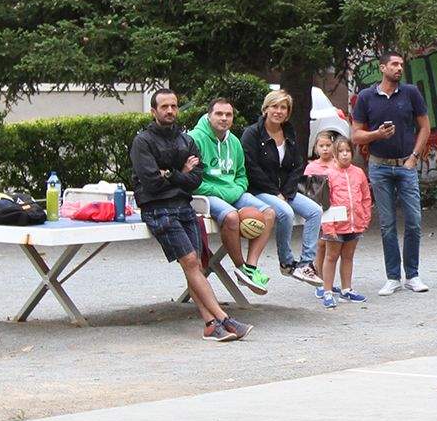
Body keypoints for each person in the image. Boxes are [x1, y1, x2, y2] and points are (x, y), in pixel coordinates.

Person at [129, 88, 246, 340]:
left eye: (173, 106)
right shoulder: (143, 142)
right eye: (164, 107)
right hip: (158, 208)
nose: (170, 111)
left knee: (195, 267)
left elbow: (195, 180)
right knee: (191, 262)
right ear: (153, 111)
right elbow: (151, 183)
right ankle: (225, 319)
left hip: (185, 206)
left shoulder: (186, 140)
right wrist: (180, 172)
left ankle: (210, 325)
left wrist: (169, 173)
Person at [351, 51, 431, 295]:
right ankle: (393, 276)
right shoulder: (365, 97)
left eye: (401, 65)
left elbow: (425, 127)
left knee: (414, 222)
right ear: (382, 67)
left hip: (405, 165)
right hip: (379, 166)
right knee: (386, 224)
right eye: (394, 64)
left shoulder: (411, 93)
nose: (399, 68)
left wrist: (414, 157)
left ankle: (413, 275)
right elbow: (355, 135)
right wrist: (376, 135)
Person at [240, 89, 328, 298]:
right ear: (266, 109)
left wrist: (286, 192)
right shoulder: (252, 133)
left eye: (283, 108)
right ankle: (287, 262)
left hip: (285, 191)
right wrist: (275, 193)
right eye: (274, 106)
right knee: (285, 213)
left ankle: (306, 263)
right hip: (259, 190)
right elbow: (251, 167)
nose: (278, 111)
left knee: (315, 210)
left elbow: (297, 165)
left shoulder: (289, 132)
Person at [192, 96, 278, 293]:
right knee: (231, 217)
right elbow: (193, 181)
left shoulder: (235, 142)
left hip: (233, 193)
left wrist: (236, 190)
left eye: (228, 114)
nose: (224, 118)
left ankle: (250, 266)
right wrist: (222, 191)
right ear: (209, 115)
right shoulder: (194, 139)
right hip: (205, 194)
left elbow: (241, 176)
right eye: (219, 114)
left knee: (269, 213)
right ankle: (240, 268)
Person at [307, 131, 372, 302]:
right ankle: (327, 291)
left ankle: (346, 289)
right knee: (331, 256)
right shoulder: (328, 174)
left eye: (348, 151)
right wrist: (328, 227)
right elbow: (325, 203)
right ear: (335, 154)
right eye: (341, 151)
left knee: (348, 256)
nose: (345, 154)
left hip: (354, 223)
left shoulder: (358, 172)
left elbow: (366, 197)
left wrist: (365, 218)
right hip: (335, 225)